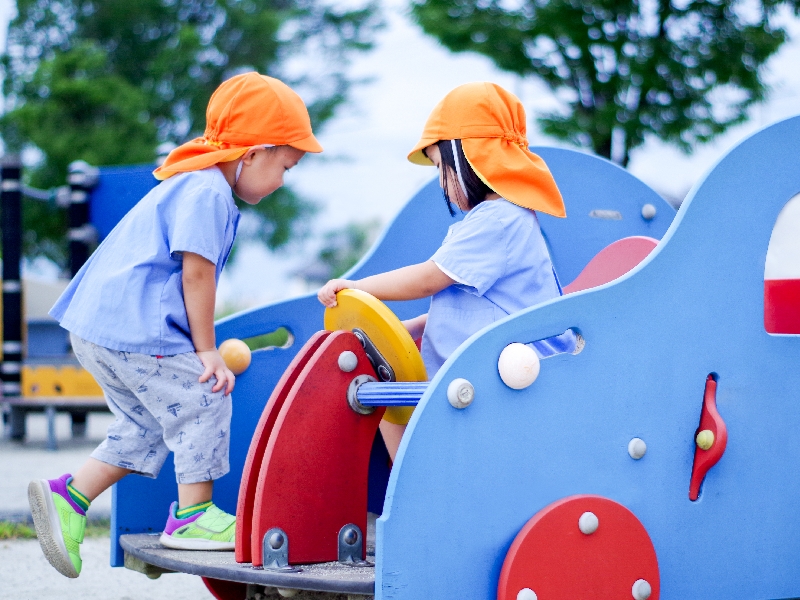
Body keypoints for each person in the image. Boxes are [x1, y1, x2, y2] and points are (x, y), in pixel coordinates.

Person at [28, 72, 322, 579]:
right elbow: (196, 272)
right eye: (285, 167)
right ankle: (192, 517)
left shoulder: (195, 182)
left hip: (100, 328)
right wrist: (206, 350)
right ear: (254, 153)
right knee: (206, 394)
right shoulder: (208, 191)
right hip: (135, 329)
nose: (282, 181)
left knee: (145, 426)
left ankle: (70, 498)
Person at [318, 82, 575, 460]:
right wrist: (413, 327)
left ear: (470, 156)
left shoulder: (498, 220)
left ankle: (411, 485)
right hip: (480, 373)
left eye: (442, 167)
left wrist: (357, 287)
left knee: (388, 402)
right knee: (388, 404)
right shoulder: (499, 218)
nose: (441, 180)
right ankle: (409, 481)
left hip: (496, 382)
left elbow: (428, 279)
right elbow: (473, 305)